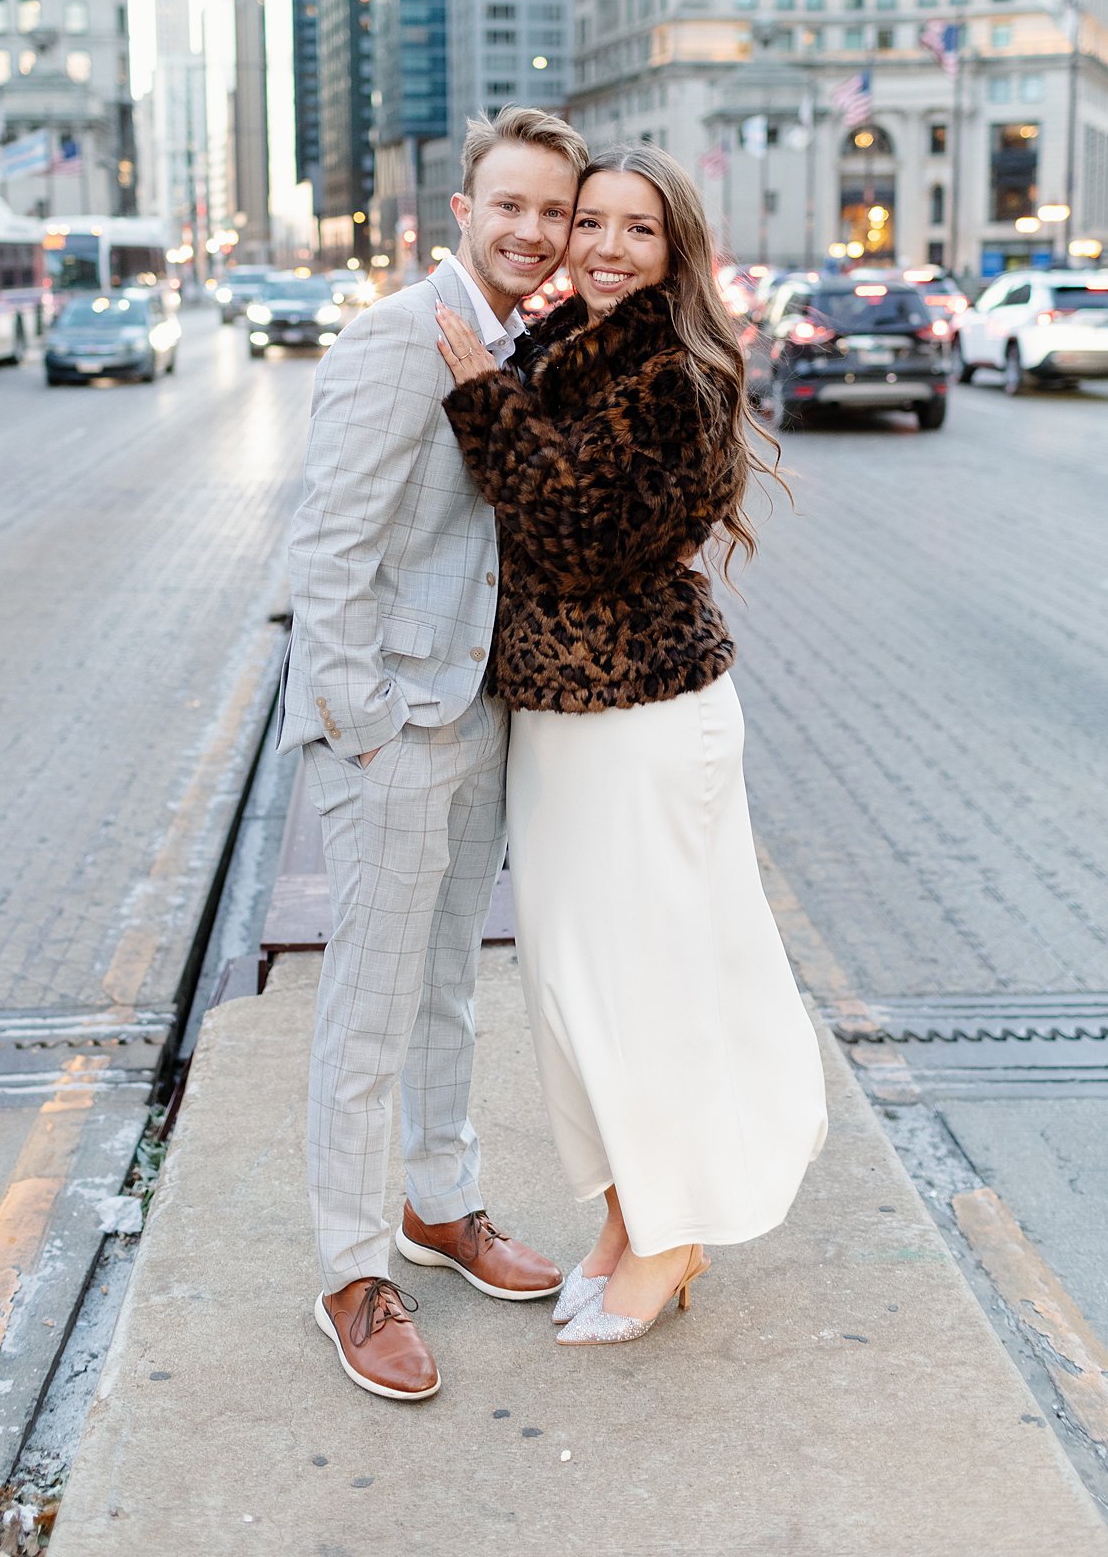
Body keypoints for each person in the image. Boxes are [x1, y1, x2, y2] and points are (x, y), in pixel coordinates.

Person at [435, 143, 828, 1347]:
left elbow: (574, 532)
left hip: (647, 719)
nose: (604, 246)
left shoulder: (678, 371)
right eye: (588, 222)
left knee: (645, 985)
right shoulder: (557, 348)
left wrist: (483, 399)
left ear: (677, 249)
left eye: (636, 229)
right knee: (571, 989)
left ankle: (672, 1235)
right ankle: (622, 1213)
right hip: (562, 724)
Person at [280, 103, 590, 1400]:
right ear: (462, 213)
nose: (531, 231)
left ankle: (440, 1203)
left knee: (456, 980)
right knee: (368, 1008)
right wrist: (364, 731)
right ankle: (352, 1270)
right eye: (508, 206)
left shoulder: (530, 342)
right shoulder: (396, 337)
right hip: (398, 732)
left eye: (553, 214)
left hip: (486, 718)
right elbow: (329, 548)